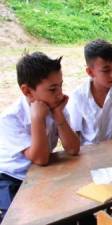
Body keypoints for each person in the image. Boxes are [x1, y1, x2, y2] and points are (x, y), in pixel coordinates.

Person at [0, 52, 80, 222]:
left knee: (76, 212)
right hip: (13, 177)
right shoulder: (11, 117)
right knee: (19, 219)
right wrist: (37, 118)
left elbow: (73, 148)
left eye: (61, 86)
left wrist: (59, 115)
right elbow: (40, 158)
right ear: (27, 91)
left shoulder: (55, 106)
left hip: (42, 174)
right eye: (52, 89)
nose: (60, 93)